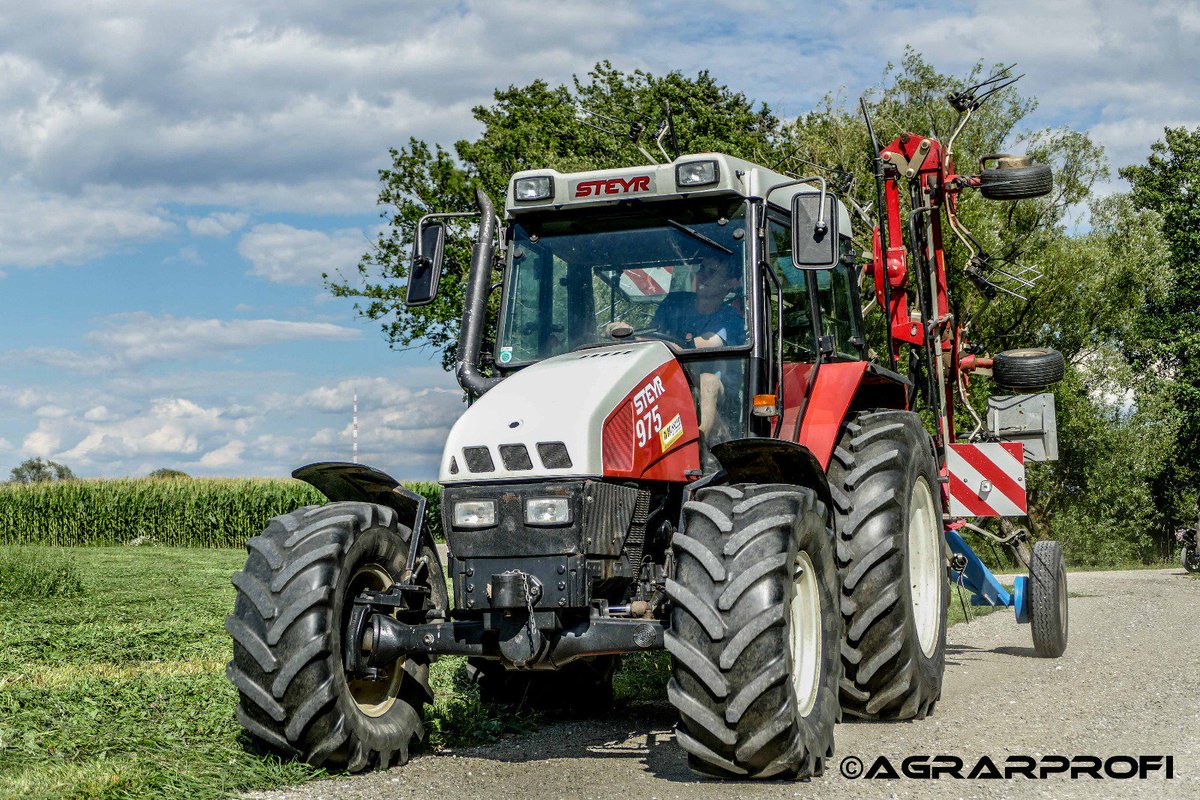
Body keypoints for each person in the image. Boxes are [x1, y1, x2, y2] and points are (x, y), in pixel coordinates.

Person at [651, 252, 745, 443]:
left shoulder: (731, 319)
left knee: (708, 380)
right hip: (671, 381)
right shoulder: (674, 302)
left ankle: (700, 440)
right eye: (702, 269)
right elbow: (650, 335)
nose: (703, 275)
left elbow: (703, 346)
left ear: (731, 283)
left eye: (712, 272)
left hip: (721, 398)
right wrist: (626, 333)